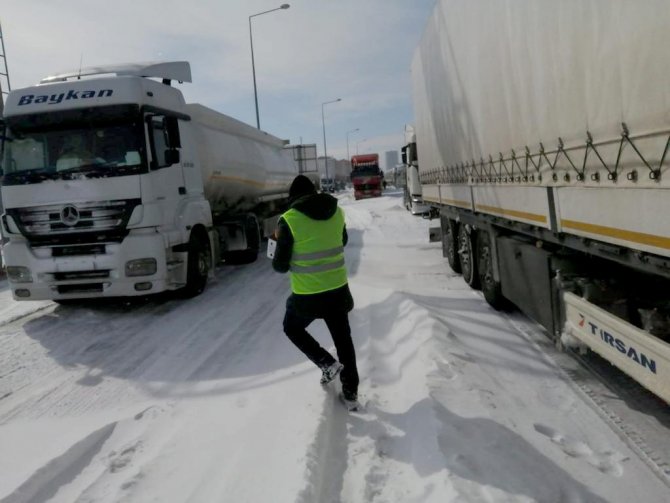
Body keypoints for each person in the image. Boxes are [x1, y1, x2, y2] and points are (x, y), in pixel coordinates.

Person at [272, 175, 360, 409]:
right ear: (314, 192)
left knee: (291, 327)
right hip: (337, 290)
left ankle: (326, 363)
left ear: (293, 197)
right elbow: (342, 240)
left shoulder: (289, 220)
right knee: (344, 340)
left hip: (307, 295)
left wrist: (280, 241)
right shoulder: (337, 212)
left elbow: (279, 266)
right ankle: (351, 392)